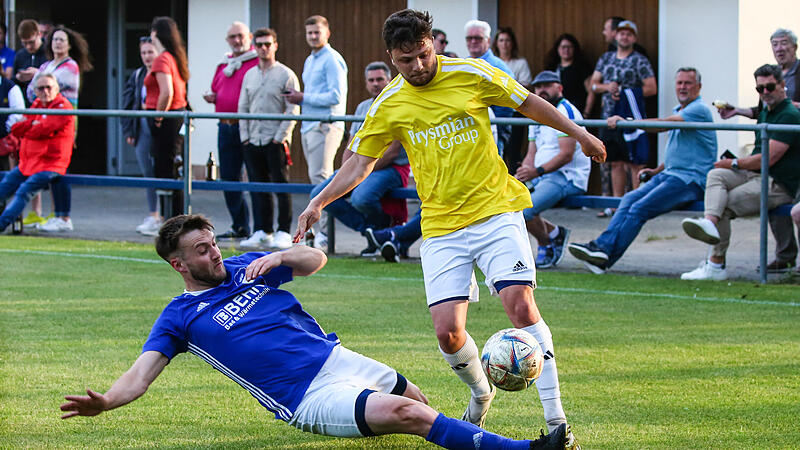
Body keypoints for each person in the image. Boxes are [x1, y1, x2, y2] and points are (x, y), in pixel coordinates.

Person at [294, 10, 605, 447]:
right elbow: (359, 164)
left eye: (422, 55)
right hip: (441, 226)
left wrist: (582, 134)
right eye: (406, 61)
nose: (417, 67)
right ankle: (481, 392)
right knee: (448, 333)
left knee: (520, 307)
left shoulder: (472, 73)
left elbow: (528, 102)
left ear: (432, 44)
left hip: (495, 210)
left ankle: (558, 425)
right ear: (391, 57)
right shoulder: (390, 102)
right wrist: (318, 201)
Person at [59, 214, 571, 450]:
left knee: (418, 402)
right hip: (303, 395)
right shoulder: (178, 317)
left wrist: (281, 255)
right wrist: (106, 401)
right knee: (410, 412)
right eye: (201, 251)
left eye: (213, 244)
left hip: (339, 360)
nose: (214, 253)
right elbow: (140, 376)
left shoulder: (245, 266)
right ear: (178, 263)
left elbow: (316, 259)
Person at [568, 68, 717, 274]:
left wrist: (626, 122)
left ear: (699, 87)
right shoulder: (680, 110)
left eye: (688, 83)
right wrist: (656, 170)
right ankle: (600, 251)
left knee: (640, 208)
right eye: (679, 83)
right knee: (629, 199)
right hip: (671, 175)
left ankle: (603, 253)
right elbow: (681, 152)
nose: (683, 87)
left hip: (690, 180)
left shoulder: (698, 109)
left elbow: (662, 126)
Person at [681, 64, 800, 281]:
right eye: (759, 89)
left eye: (770, 87)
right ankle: (709, 221)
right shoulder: (767, 109)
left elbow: (768, 159)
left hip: (778, 182)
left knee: (724, 204)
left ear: (783, 85)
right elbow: (754, 114)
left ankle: (715, 265)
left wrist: (734, 163)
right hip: (758, 174)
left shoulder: (789, 114)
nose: (765, 93)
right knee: (715, 175)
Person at [715, 28, 800, 273]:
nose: (780, 48)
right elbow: (763, 109)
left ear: (794, 46)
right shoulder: (771, 80)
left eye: (784, 43)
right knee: (772, 199)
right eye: (775, 44)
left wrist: (791, 106)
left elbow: (784, 111)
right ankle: (784, 256)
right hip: (779, 156)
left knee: (791, 204)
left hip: (792, 153)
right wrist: (737, 111)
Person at [310, 61, 410, 256]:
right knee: (320, 194)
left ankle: (382, 229)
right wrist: (346, 170)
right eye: (371, 80)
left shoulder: (400, 102)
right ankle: (372, 232)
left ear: (389, 79)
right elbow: (351, 143)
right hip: (361, 165)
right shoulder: (363, 107)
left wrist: (358, 172)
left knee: (361, 198)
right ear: (365, 83)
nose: (375, 84)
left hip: (391, 167)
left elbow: (392, 151)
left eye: (380, 79)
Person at [283, 15, 348, 249]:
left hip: (326, 125)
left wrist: (303, 97)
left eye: (317, 32)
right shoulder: (310, 60)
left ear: (327, 33)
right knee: (316, 177)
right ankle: (317, 232)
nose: (313, 36)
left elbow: (336, 96)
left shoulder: (332, 59)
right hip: (310, 124)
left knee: (322, 179)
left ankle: (326, 235)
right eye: (309, 32)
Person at [514, 71, 590, 269]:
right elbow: (532, 151)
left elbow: (566, 155)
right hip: (544, 175)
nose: (542, 90)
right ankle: (556, 233)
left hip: (566, 176)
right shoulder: (535, 112)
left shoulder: (566, 111)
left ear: (560, 88)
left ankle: (547, 244)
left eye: (547, 85)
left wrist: (536, 172)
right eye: (538, 87)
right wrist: (525, 171)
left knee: (525, 211)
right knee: (510, 203)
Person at [237, 28, 299, 250]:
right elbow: (242, 107)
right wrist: (244, 136)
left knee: (280, 185)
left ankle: (284, 230)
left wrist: (279, 136)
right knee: (257, 185)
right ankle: (262, 230)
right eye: (259, 44)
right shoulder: (249, 75)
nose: (263, 48)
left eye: (267, 44)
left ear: (275, 45)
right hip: (253, 139)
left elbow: (293, 108)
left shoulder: (286, 74)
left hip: (275, 140)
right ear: (254, 47)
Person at [29, 26, 93, 233]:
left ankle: (64, 216)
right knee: (49, 169)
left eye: (61, 40)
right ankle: (56, 215)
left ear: (69, 44)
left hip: (63, 124)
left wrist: (39, 80)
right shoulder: (47, 64)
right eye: (54, 39)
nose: (57, 43)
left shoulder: (71, 66)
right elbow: (32, 91)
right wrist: (38, 81)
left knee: (61, 169)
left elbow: (49, 85)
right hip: (44, 124)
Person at [589, 20, 656, 214]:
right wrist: (607, 87)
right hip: (608, 118)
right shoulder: (606, 58)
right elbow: (593, 84)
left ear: (634, 38)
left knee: (634, 161)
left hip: (629, 118)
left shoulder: (639, 60)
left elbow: (652, 88)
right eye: (621, 33)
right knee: (614, 161)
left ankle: (635, 204)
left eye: (629, 34)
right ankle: (616, 204)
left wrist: (627, 93)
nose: (624, 37)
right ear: (615, 36)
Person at [202, 21, 258, 240]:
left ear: (249, 37)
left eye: (240, 36)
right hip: (225, 126)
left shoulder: (256, 62)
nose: (237, 40)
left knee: (255, 177)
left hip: (248, 127)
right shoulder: (224, 63)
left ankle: (263, 228)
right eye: (232, 36)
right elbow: (216, 88)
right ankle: (240, 225)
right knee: (228, 177)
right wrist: (213, 97)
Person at [0, 74, 73, 232]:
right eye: (41, 88)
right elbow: (16, 128)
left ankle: (1, 224)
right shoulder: (37, 104)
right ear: (35, 91)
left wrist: (29, 126)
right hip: (29, 163)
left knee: (23, 192)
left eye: (49, 87)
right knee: (3, 188)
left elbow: (43, 129)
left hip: (51, 164)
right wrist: (32, 124)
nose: (45, 91)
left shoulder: (63, 106)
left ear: (57, 89)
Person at [146, 16, 189, 220]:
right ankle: (172, 218)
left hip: (167, 118)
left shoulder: (163, 58)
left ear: (156, 33)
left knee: (165, 169)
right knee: (171, 167)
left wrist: (158, 118)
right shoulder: (173, 57)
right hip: (175, 117)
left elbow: (167, 92)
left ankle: (169, 219)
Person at [122, 37, 160, 236]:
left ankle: (165, 216)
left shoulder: (164, 72)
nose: (147, 57)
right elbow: (128, 102)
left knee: (162, 171)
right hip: (142, 127)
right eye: (143, 53)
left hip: (160, 128)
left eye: (150, 52)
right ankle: (153, 214)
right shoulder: (137, 76)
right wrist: (129, 130)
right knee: (147, 172)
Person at [465, 20, 514, 157]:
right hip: (467, 132)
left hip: (492, 130)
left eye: (478, 38)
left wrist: (496, 127)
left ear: (488, 40)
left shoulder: (499, 67)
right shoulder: (463, 64)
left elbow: (508, 103)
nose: (473, 41)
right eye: (469, 38)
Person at [493, 26, 532, 173]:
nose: (504, 44)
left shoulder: (520, 63)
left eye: (507, 40)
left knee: (514, 151)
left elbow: (526, 86)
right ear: (496, 43)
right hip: (496, 112)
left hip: (516, 112)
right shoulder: (492, 62)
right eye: (501, 40)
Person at [544, 34, 592, 116]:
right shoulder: (552, 67)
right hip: (554, 110)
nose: (566, 50)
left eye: (569, 47)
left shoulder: (582, 67)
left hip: (576, 110)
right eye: (563, 47)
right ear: (557, 49)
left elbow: (590, 90)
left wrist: (586, 113)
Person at [13, 20, 47, 105]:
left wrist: (38, 74)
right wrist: (18, 78)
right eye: (24, 43)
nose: (28, 47)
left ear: (39, 34)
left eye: (31, 42)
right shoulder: (20, 55)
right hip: (25, 104)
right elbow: (12, 82)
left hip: (46, 103)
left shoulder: (49, 52)